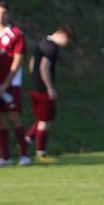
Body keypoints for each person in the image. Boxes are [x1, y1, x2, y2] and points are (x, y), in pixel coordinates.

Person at [0, 1, 29, 167]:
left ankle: (24, 155)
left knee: (13, 117)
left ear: (7, 15)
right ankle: (4, 157)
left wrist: (5, 84)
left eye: (3, 13)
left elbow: (17, 61)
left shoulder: (16, 34)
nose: (0, 16)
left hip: (11, 84)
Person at [25, 25, 76, 163]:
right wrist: (50, 87)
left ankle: (26, 141)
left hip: (33, 87)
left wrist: (33, 77)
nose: (66, 45)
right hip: (42, 89)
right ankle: (41, 153)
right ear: (63, 35)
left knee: (41, 118)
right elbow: (44, 65)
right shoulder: (51, 47)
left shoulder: (41, 43)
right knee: (45, 120)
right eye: (67, 41)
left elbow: (32, 63)